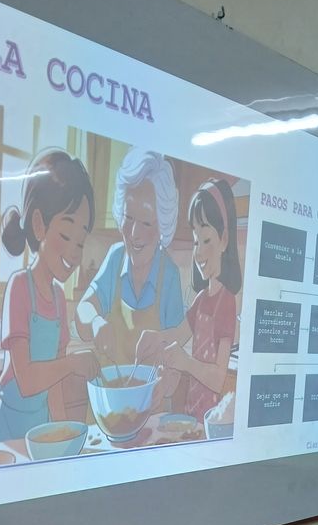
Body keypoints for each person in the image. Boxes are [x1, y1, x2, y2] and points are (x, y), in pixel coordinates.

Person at [0, 149, 99, 443]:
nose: (74, 252)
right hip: (11, 428)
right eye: (66, 236)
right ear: (39, 225)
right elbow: (26, 381)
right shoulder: (19, 287)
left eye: (80, 242)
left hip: (41, 426)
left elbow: (54, 387)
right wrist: (73, 364)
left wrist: (63, 434)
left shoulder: (60, 299)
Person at [136, 178, 241, 423]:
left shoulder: (226, 302)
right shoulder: (202, 299)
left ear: (224, 240)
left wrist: (185, 362)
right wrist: (155, 338)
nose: (199, 252)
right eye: (196, 241)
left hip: (212, 419)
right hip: (192, 411)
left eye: (206, 241)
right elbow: (179, 334)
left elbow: (218, 378)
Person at [75, 148, 184, 367]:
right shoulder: (115, 258)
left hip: (151, 389)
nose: (134, 233)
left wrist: (166, 376)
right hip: (106, 388)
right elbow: (82, 310)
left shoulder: (169, 275)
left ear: (162, 224)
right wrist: (95, 322)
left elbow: (177, 346)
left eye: (146, 222)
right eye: (129, 217)